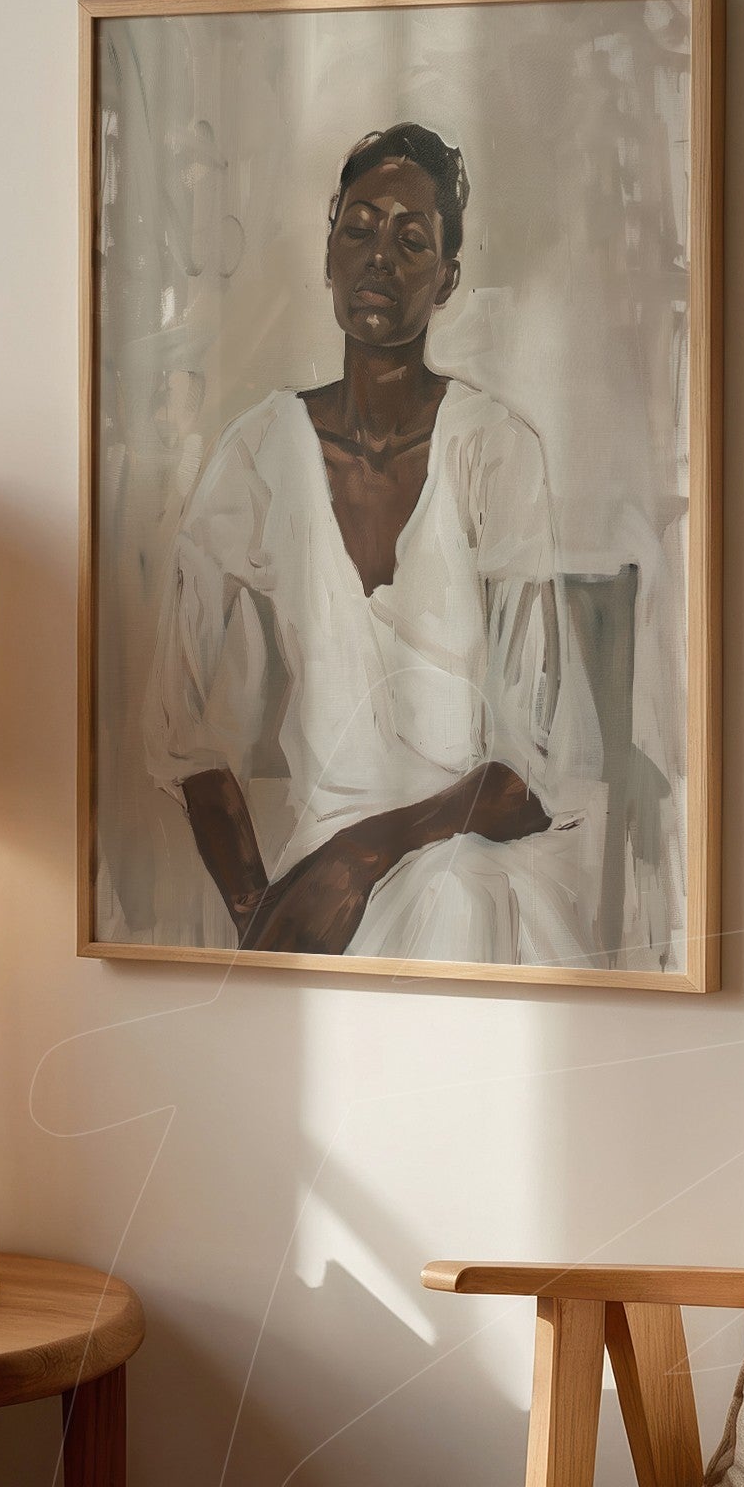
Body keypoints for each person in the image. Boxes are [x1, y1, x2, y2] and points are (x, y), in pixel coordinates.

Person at [144, 123, 594, 964]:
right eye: (359, 229)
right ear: (329, 257)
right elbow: (178, 725)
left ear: (448, 279)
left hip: (479, 860)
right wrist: (258, 910)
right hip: (316, 871)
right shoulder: (257, 455)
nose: (379, 256)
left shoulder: (495, 450)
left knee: (454, 901)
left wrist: (362, 856)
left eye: (411, 239)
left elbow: (531, 776)